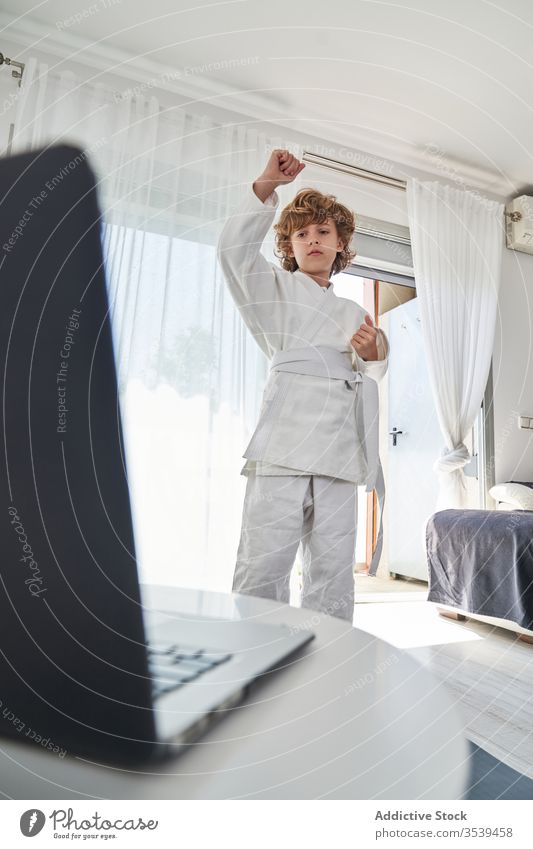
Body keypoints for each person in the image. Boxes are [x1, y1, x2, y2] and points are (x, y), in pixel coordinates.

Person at [217, 149, 389, 622]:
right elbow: (231, 253)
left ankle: (330, 656)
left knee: (333, 565)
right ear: (289, 247)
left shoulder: (355, 313)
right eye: (301, 233)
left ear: (340, 244)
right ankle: (254, 650)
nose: (312, 239)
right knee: (265, 558)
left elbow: (371, 367)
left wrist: (375, 353)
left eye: (323, 232)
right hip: (284, 442)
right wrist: (267, 184)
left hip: (340, 445)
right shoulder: (270, 290)